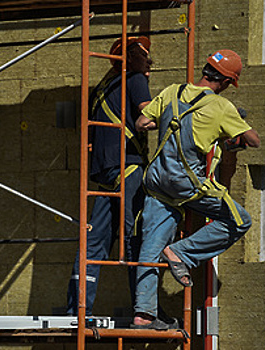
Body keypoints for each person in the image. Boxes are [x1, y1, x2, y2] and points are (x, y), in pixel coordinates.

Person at [131, 50, 261, 329]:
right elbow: (254, 140)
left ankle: (143, 314)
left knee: (149, 248)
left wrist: (165, 122)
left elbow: (142, 123)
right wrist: (232, 127)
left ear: (205, 70)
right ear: (226, 82)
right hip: (185, 186)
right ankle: (182, 253)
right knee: (240, 220)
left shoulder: (171, 91)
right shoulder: (222, 107)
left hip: (155, 183)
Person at [66, 36, 153, 316]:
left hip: (106, 172)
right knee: (135, 239)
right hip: (127, 167)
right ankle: (144, 311)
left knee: (94, 243)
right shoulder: (135, 78)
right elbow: (146, 116)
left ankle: (77, 310)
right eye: (146, 58)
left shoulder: (104, 87)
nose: (149, 64)